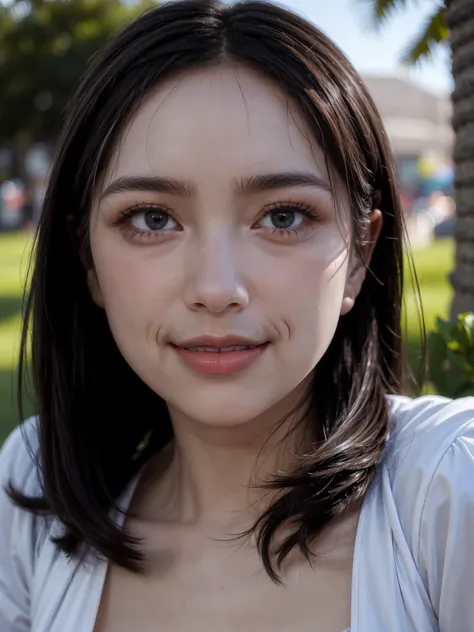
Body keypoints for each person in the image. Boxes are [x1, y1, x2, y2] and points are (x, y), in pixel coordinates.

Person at [0, 1, 473, 630]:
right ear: (87, 258)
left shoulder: (451, 492)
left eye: (282, 216)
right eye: (152, 218)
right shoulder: (37, 497)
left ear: (360, 252)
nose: (217, 289)